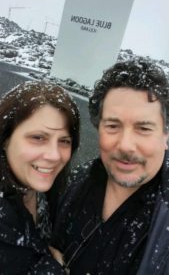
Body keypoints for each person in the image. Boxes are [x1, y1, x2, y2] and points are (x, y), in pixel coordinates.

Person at [50, 57, 169, 275]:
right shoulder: (74, 182)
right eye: (113, 125)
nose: (125, 145)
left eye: (143, 128)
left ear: (166, 135)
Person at [0, 80, 80, 275]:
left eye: (64, 141)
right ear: (5, 139)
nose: (54, 155)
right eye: (38, 138)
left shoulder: (46, 190)